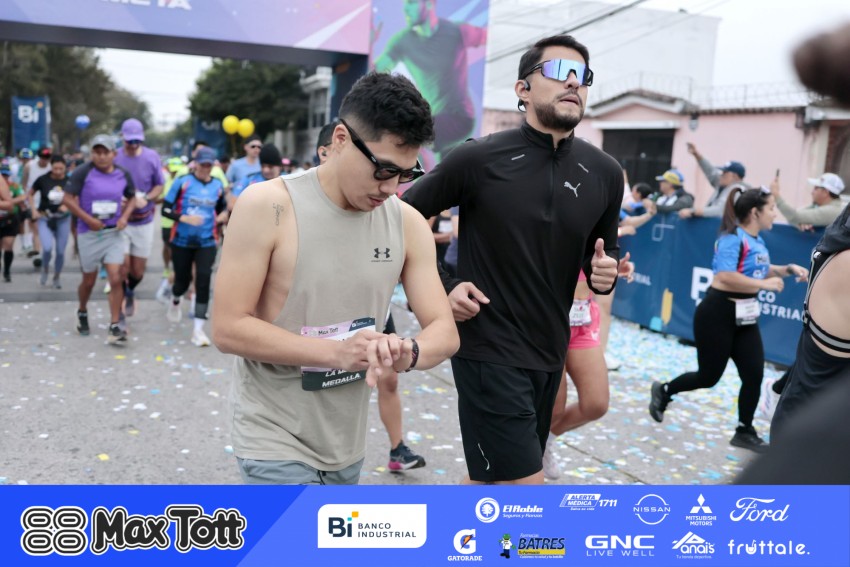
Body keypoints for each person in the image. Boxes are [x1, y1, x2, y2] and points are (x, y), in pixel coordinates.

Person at [211, 72, 458, 485]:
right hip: (272, 435)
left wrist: (406, 351)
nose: (391, 187)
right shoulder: (268, 205)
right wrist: (336, 353)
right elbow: (227, 327)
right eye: (382, 170)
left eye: (405, 174)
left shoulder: (407, 223)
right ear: (341, 139)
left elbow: (444, 331)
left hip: (346, 443)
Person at [403, 34, 621, 485]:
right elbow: (401, 218)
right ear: (523, 88)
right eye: (558, 71)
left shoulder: (605, 173)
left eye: (583, 76)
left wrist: (604, 273)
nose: (573, 83)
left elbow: (603, 255)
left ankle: (442, 530)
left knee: (489, 482)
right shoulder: (479, 157)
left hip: (550, 350)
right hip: (488, 346)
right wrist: (444, 287)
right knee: (526, 488)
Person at [648, 186, 808, 452]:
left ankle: (744, 430)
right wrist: (763, 284)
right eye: (771, 208)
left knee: (754, 375)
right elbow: (724, 277)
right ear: (755, 212)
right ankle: (664, 391)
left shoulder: (756, 240)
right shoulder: (731, 238)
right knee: (708, 377)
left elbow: (759, 268)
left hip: (745, 317)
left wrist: (787, 269)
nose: (774, 213)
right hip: (717, 314)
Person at [374, 0, 487, 160]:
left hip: (460, 117)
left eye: (411, 3)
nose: (406, 9)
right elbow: (376, 71)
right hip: (433, 120)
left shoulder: (457, 31)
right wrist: (370, 43)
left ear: (428, 4)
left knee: (409, 134)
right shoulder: (403, 41)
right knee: (445, 167)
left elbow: (489, 37)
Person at [62, 134, 137, 344]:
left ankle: (115, 325)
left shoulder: (122, 174)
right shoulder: (82, 172)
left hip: (113, 233)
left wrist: (124, 217)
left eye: (106, 152)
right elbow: (67, 199)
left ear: (114, 154)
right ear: (92, 154)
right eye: (97, 152)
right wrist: (88, 219)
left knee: (116, 277)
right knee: (89, 280)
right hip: (89, 233)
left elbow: (132, 197)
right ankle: (82, 310)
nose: (101, 157)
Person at [161, 147, 229, 347]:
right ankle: (175, 298)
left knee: (203, 280)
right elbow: (165, 209)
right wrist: (184, 218)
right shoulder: (183, 182)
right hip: (181, 240)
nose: (205, 168)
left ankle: (198, 330)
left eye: (209, 165)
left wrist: (224, 215)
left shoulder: (217, 185)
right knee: (182, 282)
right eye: (202, 164)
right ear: (195, 164)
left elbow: (222, 208)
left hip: (207, 241)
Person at [114, 118, 165, 317]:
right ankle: (119, 312)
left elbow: (159, 185)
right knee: (122, 267)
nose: (134, 145)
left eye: (137, 141)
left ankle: (130, 290)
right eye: (130, 141)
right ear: (122, 138)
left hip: (144, 220)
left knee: (137, 272)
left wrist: (147, 198)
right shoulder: (115, 157)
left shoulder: (152, 157)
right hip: (121, 221)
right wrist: (117, 198)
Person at [30, 155, 72, 288]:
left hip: (63, 219)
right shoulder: (43, 179)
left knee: (60, 251)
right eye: (55, 168)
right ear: (51, 167)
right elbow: (29, 194)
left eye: (61, 169)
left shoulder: (70, 181)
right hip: (45, 218)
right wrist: (33, 210)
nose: (58, 171)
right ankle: (45, 269)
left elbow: (77, 197)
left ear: (65, 167)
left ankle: (57, 276)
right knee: (47, 248)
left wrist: (68, 206)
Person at [679, 145, 749, 219]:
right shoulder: (725, 185)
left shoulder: (737, 190)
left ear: (734, 176)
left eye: (725, 173)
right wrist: (697, 155)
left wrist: (693, 211)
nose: (721, 175)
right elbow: (710, 172)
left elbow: (720, 210)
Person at [772, 172, 845, 230]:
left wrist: (776, 196)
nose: (812, 192)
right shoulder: (821, 206)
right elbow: (793, 217)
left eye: (816, 188)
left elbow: (794, 216)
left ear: (825, 192)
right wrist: (799, 222)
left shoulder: (833, 211)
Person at [20, 147, 52, 261]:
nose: (45, 160)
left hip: (46, 203)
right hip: (32, 202)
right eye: (43, 157)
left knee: (44, 229)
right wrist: (24, 200)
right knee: (35, 229)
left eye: (47, 158)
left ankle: (43, 250)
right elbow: (23, 184)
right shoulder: (29, 166)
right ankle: (37, 253)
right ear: (39, 157)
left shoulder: (51, 167)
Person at [228, 144, 283, 208]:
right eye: (263, 166)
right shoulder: (249, 179)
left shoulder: (286, 182)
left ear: (279, 167)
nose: (266, 170)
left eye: (270, 167)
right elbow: (232, 204)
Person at [1, 164, 27, 282]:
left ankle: (7, 271)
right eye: (2, 175)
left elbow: (23, 196)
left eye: (6, 175)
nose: (4, 177)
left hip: (10, 218)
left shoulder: (14, 186)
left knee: (8, 244)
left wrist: (11, 201)